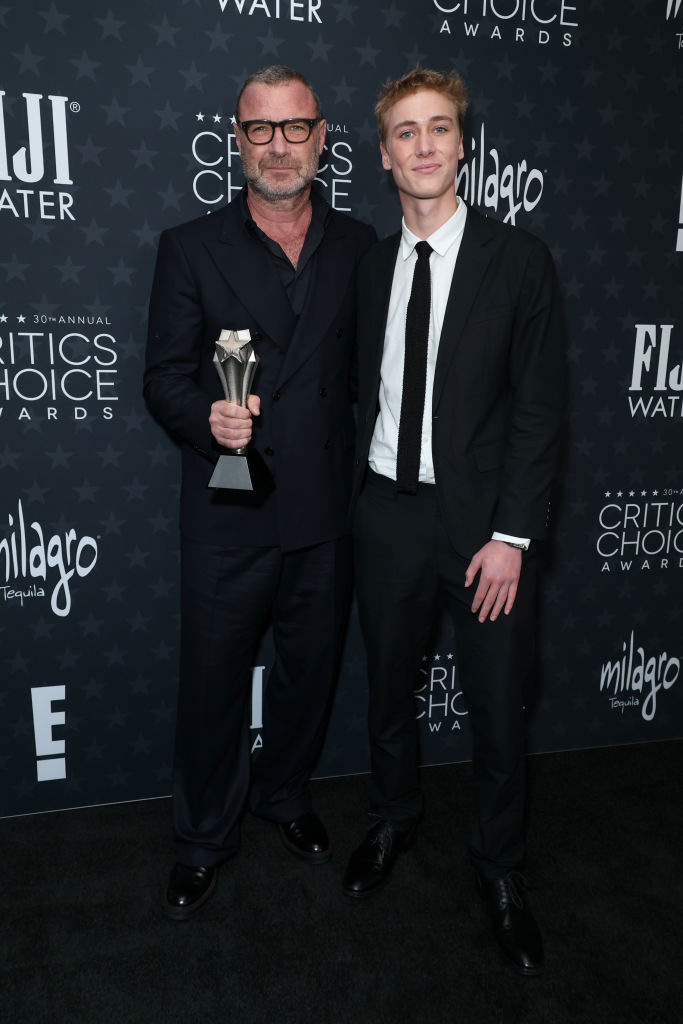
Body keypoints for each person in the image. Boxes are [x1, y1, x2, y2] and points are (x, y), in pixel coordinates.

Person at [342, 68, 566, 976]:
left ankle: (501, 870)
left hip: (484, 533)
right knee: (388, 695)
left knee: (499, 717)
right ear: (385, 153)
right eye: (405, 132)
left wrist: (512, 537)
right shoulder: (365, 265)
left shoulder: (520, 261)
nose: (424, 145)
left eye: (439, 128)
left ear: (464, 145)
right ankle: (395, 820)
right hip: (386, 515)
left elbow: (538, 413)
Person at [144, 65, 375, 920]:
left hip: (324, 510)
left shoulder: (361, 246)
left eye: (294, 127)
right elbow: (161, 376)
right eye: (259, 130)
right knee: (211, 682)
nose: (278, 146)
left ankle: (284, 795)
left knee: (307, 676)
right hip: (228, 511)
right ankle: (203, 837)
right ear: (235, 141)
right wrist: (207, 417)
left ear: (321, 136)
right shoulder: (189, 246)